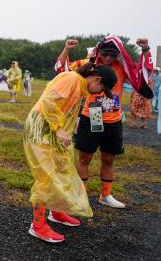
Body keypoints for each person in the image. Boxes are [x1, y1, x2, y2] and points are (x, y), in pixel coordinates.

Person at [55, 36, 153, 208]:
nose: (108, 58)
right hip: (91, 116)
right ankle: (81, 195)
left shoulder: (123, 67)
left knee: (108, 159)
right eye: (105, 54)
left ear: (118, 54)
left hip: (113, 120)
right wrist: (67, 49)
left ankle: (105, 195)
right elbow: (62, 70)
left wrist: (145, 49)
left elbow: (144, 74)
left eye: (112, 55)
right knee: (85, 158)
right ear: (100, 52)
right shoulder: (89, 64)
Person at [25, 63, 117, 243]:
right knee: (47, 176)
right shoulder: (72, 79)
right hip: (41, 130)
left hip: (52, 131)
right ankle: (37, 225)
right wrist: (58, 128)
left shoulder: (80, 86)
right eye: (101, 89)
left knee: (63, 170)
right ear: (97, 80)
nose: (98, 93)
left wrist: (68, 127)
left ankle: (57, 212)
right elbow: (49, 100)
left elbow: (64, 107)